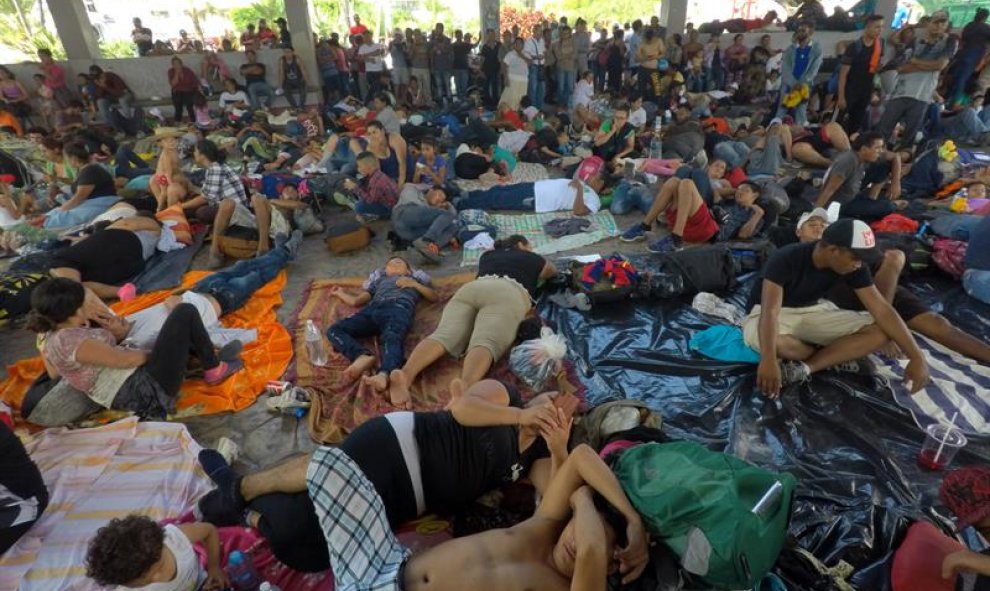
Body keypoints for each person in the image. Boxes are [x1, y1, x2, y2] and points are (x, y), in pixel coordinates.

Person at [200, 421, 647, 591]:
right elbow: (585, 459)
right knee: (330, 464)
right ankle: (238, 493)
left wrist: (583, 500)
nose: (575, 544)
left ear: (613, 567)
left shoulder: (578, 585)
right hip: (385, 565)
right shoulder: (547, 523)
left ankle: (239, 503)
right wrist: (628, 521)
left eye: (606, 553)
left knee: (293, 536)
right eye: (576, 529)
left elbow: (589, 547)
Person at [195, 379, 575, 573]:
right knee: (313, 497)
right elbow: (461, 408)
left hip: (405, 499)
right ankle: (240, 487)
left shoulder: (537, 457)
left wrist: (559, 448)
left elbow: (554, 504)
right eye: (547, 399)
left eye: (561, 413)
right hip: (397, 445)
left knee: (312, 553)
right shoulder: (505, 397)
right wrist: (521, 416)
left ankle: (247, 510)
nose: (549, 407)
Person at [747, 218, 929, 398]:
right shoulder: (786, 257)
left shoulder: (854, 266)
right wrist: (768, 360)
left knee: (882, 331)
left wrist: (917, 356)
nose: (858, 264)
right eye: (855, 258)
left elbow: (881, 309)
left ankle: (807, 368)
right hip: (764, 313)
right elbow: (770, 312)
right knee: (775, 345)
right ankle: (837, 356)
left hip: (811, 311)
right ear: (833, 250)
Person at [27, 278, 242, 419]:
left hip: (132, 381)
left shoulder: (63, 332)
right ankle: (213, 367)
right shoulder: (68, 340)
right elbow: (125, 361)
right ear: (74, 310)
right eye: (84, 303)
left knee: (172, 331)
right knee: (184, 311)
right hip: (142, 391)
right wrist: (162, 352)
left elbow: (110, 355)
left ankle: (204, 357)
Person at [389, 236, 556, 406]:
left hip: (472, 289)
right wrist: (532, 259)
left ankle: (406, 375)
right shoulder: (532, 257)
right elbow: (551, 271)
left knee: (445, 334)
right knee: (486, 340)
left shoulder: (488, 256)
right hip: (507, 292)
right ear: (521, 245)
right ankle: (465, 388)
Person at [327, 256, 437, 394]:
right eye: (390, 264)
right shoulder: (378, 282)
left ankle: (384, 374)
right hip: (371, 310)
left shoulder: (415, 280)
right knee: (334, 329)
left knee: (392, 338)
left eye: (399, 263)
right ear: (385, 270)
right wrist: (340, 293)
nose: (394, 264)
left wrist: (414, 285)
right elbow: (356, 301)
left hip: (397, 307)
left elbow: (434, 297)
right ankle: (360, 356)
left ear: (408, 271)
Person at [876, 11, 955, 148]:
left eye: (943, 22)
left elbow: (940, 65)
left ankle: (901, 163)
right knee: (884, 129)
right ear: (929, 24)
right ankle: (876, 161)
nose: (938, 26)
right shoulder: (916, 40)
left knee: (909, 135)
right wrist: (930, 66)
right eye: (935, 22)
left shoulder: (949, 42)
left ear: (947, 25)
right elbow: (901, 67)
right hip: (901, 90)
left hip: (923, 94)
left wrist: (915, 62)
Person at [85, 515, 226, 591]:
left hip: (205, 582)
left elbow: (209, 531)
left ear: (162, 543)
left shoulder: (174, 538)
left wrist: (214, 567)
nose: (159, 577)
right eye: (146, 581)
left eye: (160, 566)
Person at [49, 215, 162, 300]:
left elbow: (126, 224)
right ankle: (120, 291)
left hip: (120, 253)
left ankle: (119, 291)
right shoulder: (153, 239)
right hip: (131, 262)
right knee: (74, 287)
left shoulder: (148, 223)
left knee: (71, 286)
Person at [814, 131, 904, 221]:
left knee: (884, 165)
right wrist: (815, 214)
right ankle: (892, 204)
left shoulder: (862, 157)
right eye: (877, 148)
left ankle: (872, 199)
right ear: (864, 149)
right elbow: (829, 190)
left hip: (853, 192)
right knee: (887, 207)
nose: (881, 151)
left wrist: (895, 182)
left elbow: (895, 156)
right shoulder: (848, 161)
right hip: (842, 204)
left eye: (881, 148)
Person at [43, 141, 119, 229]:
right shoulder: (83, 170)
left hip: (101, 204)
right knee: (49, 215)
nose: (66, 160)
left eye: (66, 157)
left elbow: (79, 197)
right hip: (89, 204)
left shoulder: (90, 171)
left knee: (54, 220)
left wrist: (61, 210)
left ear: (73, 158)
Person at [455, 176, 602, 215]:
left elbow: (579, 211)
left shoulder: (594, 199)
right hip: (536, 186)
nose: (593, 178)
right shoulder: (586, 184)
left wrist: (579, 189)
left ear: (604, 188)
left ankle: (459, 205)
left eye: (598, 179)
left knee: (497, 200)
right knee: (497, 190)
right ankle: (465, 195)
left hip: (538, 200)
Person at [837, 15, 885, 135]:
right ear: (867, 28)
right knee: (839, 122)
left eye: (881, 27)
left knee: (856, 124)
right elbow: (843, 74)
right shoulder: (854, 47)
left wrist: (875, 91)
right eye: (877, 27)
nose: (880, 30)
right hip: (850, 90)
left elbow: (876, 72)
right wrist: (841, 96)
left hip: (866, 91)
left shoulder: (879, 46)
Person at [392, 185, 459, 263]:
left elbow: (454, 216)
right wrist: (436, 209)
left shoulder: (431, 212)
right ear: (431, 190)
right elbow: (408, 187)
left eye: (442, 200)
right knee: (447, 215)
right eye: (439, 195)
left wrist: (446, 205)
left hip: (408, 233)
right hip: (404, 214)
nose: (439, 200)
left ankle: (429, 249)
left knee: (453, 226)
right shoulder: (414, 191)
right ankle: (427, 240)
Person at [775, 21, 823, 126]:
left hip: (805, 85)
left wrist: (803, 82)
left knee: (801, 111)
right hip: (788, 84)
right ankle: (775, 128)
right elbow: (785, 68)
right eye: (799, 30)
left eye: (803, 30)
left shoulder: (817, 49)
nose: (800, 33)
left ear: (810, 32)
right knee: (781, 109)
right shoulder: (790, 49)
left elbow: (814, 68)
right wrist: (793, 83)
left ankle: (800, 130)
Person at [949, 9, 990, 108]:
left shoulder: (969, 25)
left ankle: (948, 98)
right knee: (962, 79)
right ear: (985, 18)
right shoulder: (986, 28)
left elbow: (963, 38)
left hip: (963, 53)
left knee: (956, 77)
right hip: (974, 55)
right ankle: (953, 103)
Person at [167, 57, 199, 124]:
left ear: (181, 64)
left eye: (178, 63)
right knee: (178, 106)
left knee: (189, 105)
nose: (177, 65)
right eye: (174, 64)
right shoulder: (171, 71)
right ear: (172, 65)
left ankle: (193, 122)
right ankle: (177, 122)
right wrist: (177, 74)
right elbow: (173, 84)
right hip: (177, 91)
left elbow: (195, 82)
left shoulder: (187, 71)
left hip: (188, 91)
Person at [501, 37, 530, 110]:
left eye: (520, 43)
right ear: (514, 45)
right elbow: (504, 65)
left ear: (523, 45)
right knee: (511, 98)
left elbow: (530, 63)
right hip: (513, 79)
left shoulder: (526, 53)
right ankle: (507, 112)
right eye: (516, 43)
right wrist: (505, 78)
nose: (518, 45)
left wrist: (521, 55)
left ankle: (518, 114)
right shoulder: (510, 54)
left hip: (524, 80)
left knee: (521, 98)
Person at [524, 24, 547, 109]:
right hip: (533, 66)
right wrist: (536, 57)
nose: (540, 33)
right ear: (534, 31)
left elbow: (544, 51)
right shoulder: (529, 41)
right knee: (533, 88)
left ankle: (539, 108)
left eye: (541, 31)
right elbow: (526, 54)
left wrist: (544, 55)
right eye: (538, 31)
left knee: (541, 88)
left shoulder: (542, 41)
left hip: (541, 66)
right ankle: (532, 108)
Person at [358, 31, 385, 101]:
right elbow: (360, 59)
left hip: (379, 70)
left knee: (381, 89)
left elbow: (379, 52)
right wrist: (369, 59)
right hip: (370, 71)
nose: (367, 38)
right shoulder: (362, 48)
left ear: (371, 36)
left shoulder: (377, 45)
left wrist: (365, 55)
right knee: (373, 89)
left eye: (368, 36)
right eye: (365, 36)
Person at [480, 29, 503, 108]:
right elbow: (482, 59)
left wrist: (502, 68)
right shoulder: (485, 47)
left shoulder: (499, 45)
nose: (491, 36)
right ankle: (487, 102)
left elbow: (502, 57)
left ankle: (495, 102)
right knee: (486, 86)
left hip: (497, 69)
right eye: (489, 34)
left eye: (492, 34)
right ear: (487, 36)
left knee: (495, 86)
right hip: (486, 69)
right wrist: (480, 70)